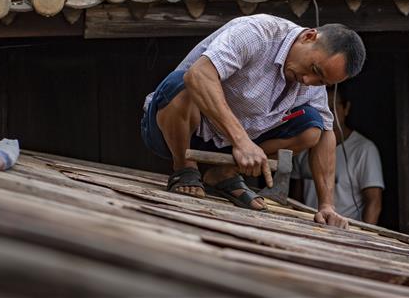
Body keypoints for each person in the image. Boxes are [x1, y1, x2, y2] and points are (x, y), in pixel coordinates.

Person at [140, 14, 365, 229]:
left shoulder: (310, 82)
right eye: (314, 70)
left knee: (312, 127)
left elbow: (326, 133)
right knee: (184, 82)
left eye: (321, 81)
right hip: (173, 131)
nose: (308, 80)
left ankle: (224, 173)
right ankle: (184, 169)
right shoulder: (257, 33)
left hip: (228, 146)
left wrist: (326, 205)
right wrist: (242, 141)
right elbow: (199, 75)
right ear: (308, 37)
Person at [291, 85, 384, 224]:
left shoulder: (364, 149)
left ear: (346, 108)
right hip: (310, 226)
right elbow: (296, 195)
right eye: (320, 108)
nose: (326, 113)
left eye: (332, 107)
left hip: (347, 231)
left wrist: (362, 238)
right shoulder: (305, 143)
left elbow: (374, 202)